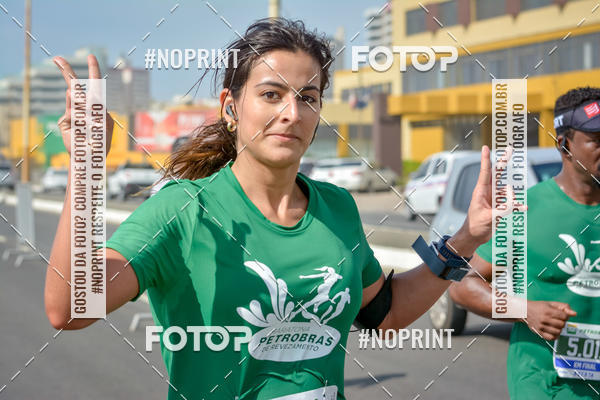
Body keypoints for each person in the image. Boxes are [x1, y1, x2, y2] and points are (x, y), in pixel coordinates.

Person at [45, 18, 515, 400]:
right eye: (271, 94)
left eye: (307, 98)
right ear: (231, 107)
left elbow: (384, 314)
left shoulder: (336, 207)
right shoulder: (182, 210)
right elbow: (69, 306)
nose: (292, 113)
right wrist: (86, 166)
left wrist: (466, 238)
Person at [449, 87, 600, 399]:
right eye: (597, 139)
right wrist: (525, 310)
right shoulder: (527, 211)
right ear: (565, 144)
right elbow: (462, 286)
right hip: (544, 386)